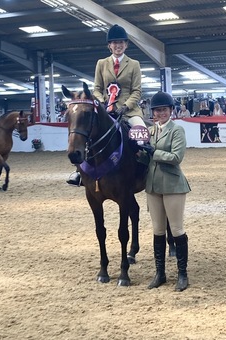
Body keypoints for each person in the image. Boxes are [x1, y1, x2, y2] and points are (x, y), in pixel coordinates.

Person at [67, 24, 146, 186]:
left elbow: (136, 91)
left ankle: (147, 170)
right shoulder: (101, 63)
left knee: (142, 136)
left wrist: (124, 107)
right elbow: (97, 89)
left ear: (126, 44)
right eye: (114, 42)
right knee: (85, 134)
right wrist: (102, 103)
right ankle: (79, 173)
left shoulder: (134, 64)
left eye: (121, 42)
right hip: (105, 110)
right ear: (109, 46)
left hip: (129, 111)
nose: (118, 45)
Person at [146, 91, 191, 292]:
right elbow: (144, 160)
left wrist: (153, 152)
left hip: (173, 185)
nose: (160, 113)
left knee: (177, 229)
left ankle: (182, 274)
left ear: (170, 110)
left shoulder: (177, 130)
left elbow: (176, 157)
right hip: (153, 185)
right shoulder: (149, 131)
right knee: (157, 231)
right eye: (157, 110)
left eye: (164, 109)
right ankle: (160, 273)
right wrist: (138, 152)